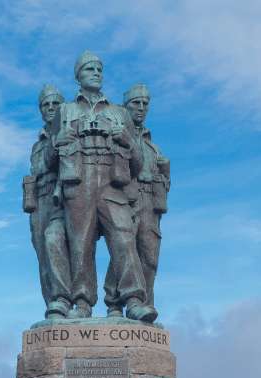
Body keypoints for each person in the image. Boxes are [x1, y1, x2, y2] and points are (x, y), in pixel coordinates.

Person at [50, 51, 157, 322]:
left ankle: (133, 300)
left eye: (98, 69)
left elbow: (140, 161)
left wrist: (128, 141)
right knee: (80, 244)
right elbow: (48, 162)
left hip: (112, 182)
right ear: (78, 75)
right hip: (78, 180)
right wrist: (58, 141)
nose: (95, 73)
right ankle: (82, 303)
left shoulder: (119, 113)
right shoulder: (65, 111)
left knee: (123, 238)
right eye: (89, 69)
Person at [104, 84, 170, 316]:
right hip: (126, 199)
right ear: (125, 107)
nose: (141, 108)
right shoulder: (118, 135)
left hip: (151, 204)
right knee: (124, 248)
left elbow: (166, 180)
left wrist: (164, 176)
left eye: (145, 104)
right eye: (136, 103)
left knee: (149, 257)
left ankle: (145, 303)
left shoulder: (154, 147)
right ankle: (114, 302)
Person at [23, 84, 71, 319]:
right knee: (44, 258)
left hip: (63, 200)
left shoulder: (70, 132)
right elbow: (39, 167)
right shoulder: (39, 142)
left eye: (55, 103)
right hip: (39, 201)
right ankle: (54, 305)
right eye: (46, 104)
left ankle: (66, 299)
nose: (51, 108)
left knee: (56, 242)